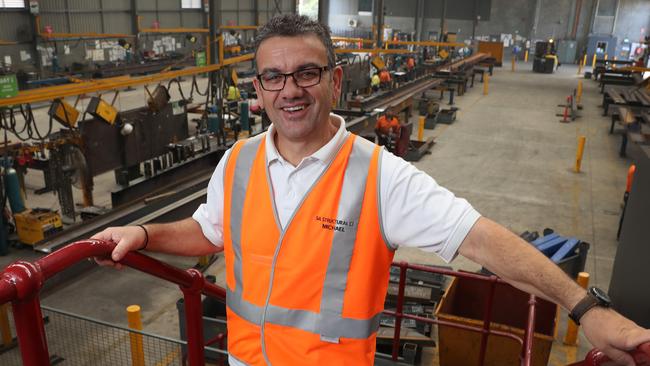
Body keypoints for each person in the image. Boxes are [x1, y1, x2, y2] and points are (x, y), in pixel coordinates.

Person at [93, 14, 650, 366]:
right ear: (257, 90)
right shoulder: (237, 162)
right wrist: (143, 232)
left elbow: (482, 241)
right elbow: (207, 229)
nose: (290, 90)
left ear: (334, 80)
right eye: (274, 77)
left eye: (307, 73)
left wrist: (584, 307)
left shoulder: (379, 177)